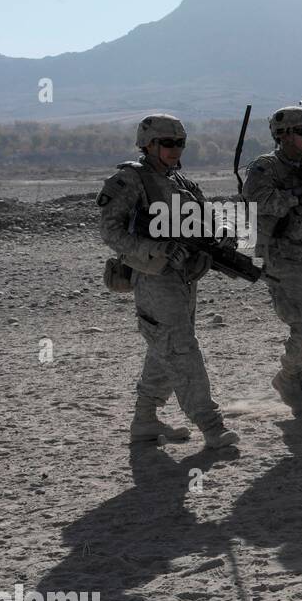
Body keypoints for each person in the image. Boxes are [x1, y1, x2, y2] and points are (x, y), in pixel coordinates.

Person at [96, 114, 239, 449]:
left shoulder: (182, 183)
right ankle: (211, 424)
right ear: (148, 144)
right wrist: (155, 250)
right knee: (180, 348)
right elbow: (110, 229)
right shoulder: (130, 179)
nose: (176, 149)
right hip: (154, 277)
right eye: (168, 143)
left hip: (184, 278)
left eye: (180, 143)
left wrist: (222, 237)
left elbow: (204, 221)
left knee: (165, 346)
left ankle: (145, 419)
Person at [242, 101, 302, 417]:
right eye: (301, 132)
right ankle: (286, 379)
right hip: (283, 258)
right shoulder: (263, 168)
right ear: (282, 135)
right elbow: (259, 199)